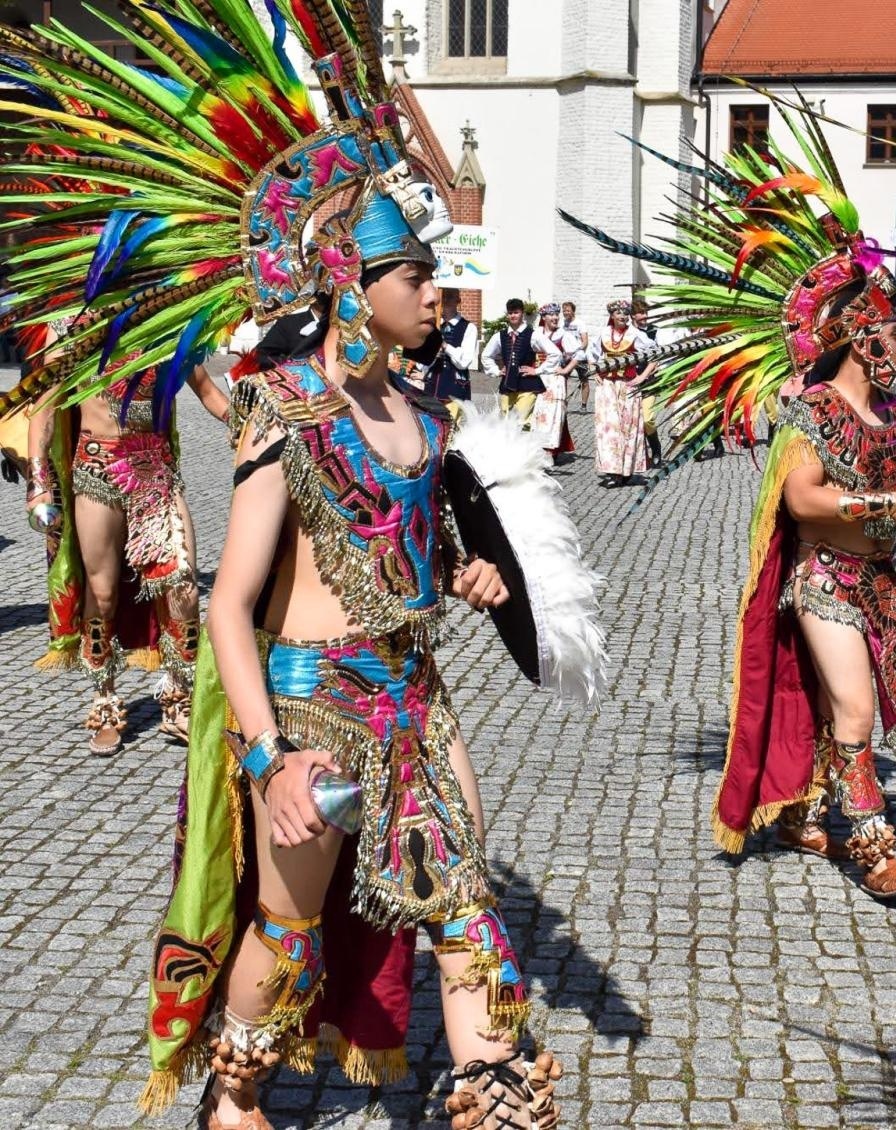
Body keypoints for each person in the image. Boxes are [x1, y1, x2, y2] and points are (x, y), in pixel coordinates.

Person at [0, 9, 575, 1127]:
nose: (432, 286)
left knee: (465, 901)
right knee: (287, 925)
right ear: (349, 281)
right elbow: (225, 606)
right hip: (314, 709)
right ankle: (237, 1089)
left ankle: (494, 1091)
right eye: (415, 269)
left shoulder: (423, 408)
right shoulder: (286, 414)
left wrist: (466, 575)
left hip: (418, 698)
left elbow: (416, 538)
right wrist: (267, 759)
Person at [564, 101, 896, 900]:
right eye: (895, 332)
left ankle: (804, 810)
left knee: (820, 705)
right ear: (860, 335)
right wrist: (885, 508)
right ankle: (871, 845)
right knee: (854, 709)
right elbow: (805, 502)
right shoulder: (811, 412)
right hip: (827, 582)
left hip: (881, 582)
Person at [24, 330, 228, 754]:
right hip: (97, 471)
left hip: (156, 473)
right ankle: (104, 703)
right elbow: (43, 409)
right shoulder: (73, 333)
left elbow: (208, 391)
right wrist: (40, 482)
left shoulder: (168, 327)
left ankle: (179, 698)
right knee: (102, 593)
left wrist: (253, 423)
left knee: (182, 585)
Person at [593, 299, 651, 487]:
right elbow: (593, 356)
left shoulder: (636, 335)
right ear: (612, 315)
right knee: (608, 428)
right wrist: (596, 372)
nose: (623, 316)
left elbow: (654, 356)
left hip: (627, 385)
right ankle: (613, 471)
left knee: (628, 428)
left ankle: (626, 471)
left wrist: (641, 377)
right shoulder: (603, 334)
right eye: (619, 313)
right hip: (608, 386)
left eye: (626, 313)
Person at [529, 303, 579, 462]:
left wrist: (565, 370)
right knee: (538, 414)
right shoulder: (537, 333)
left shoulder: (563, 335)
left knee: (553, 414)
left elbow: (579, 355)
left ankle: (551, 450)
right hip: (538, 377)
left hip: (554, 379)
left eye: (557, 315)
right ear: (544, 318)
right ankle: (539, 447)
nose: (556, 318)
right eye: (552, 315)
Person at [482, 297, 541, 425]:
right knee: (505, 418)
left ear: (522, 314)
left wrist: (537, 370)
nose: (513, 315)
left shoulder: (533, 335)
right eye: (510, 313)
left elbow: (554, 353)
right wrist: (496, 371)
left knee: (522, 419)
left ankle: (524, 444)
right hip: (507, 382)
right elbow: (486, 355)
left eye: (516, 312)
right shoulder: (500, 336)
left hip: (527, 383)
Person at [421, 286, 477, 403]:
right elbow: (421, 364)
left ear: (458, 301)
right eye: (443, 296)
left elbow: (464, 362)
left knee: (450, 421)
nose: (445, 300)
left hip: (454, 389)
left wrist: (445, 346)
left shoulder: (469, 328)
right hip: (431, 387)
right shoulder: (432, 326)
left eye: (450, 297)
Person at [631, 300, 663, 467]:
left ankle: (656, 448)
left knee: (647, 418)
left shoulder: (652, 331)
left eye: (645, 313)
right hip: (629, 381)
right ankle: (639, 454)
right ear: (633, 316)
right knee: (633, 419)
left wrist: (648, 373)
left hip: (648, 380)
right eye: (641, 313)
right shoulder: (627, 332)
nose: (644, 316)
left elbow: (657, 356)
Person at [559, 300, 590, 412]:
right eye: (564, 311)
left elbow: (585, 342)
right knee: (562, 379)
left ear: (573, 311)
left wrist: (577, 352)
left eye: (567, 310)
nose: (565, 312)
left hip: (578, 356)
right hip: (566, 356)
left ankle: (584, 405)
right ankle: (563, 403)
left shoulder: (580, 323)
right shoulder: (562, 324)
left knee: (584, 380)